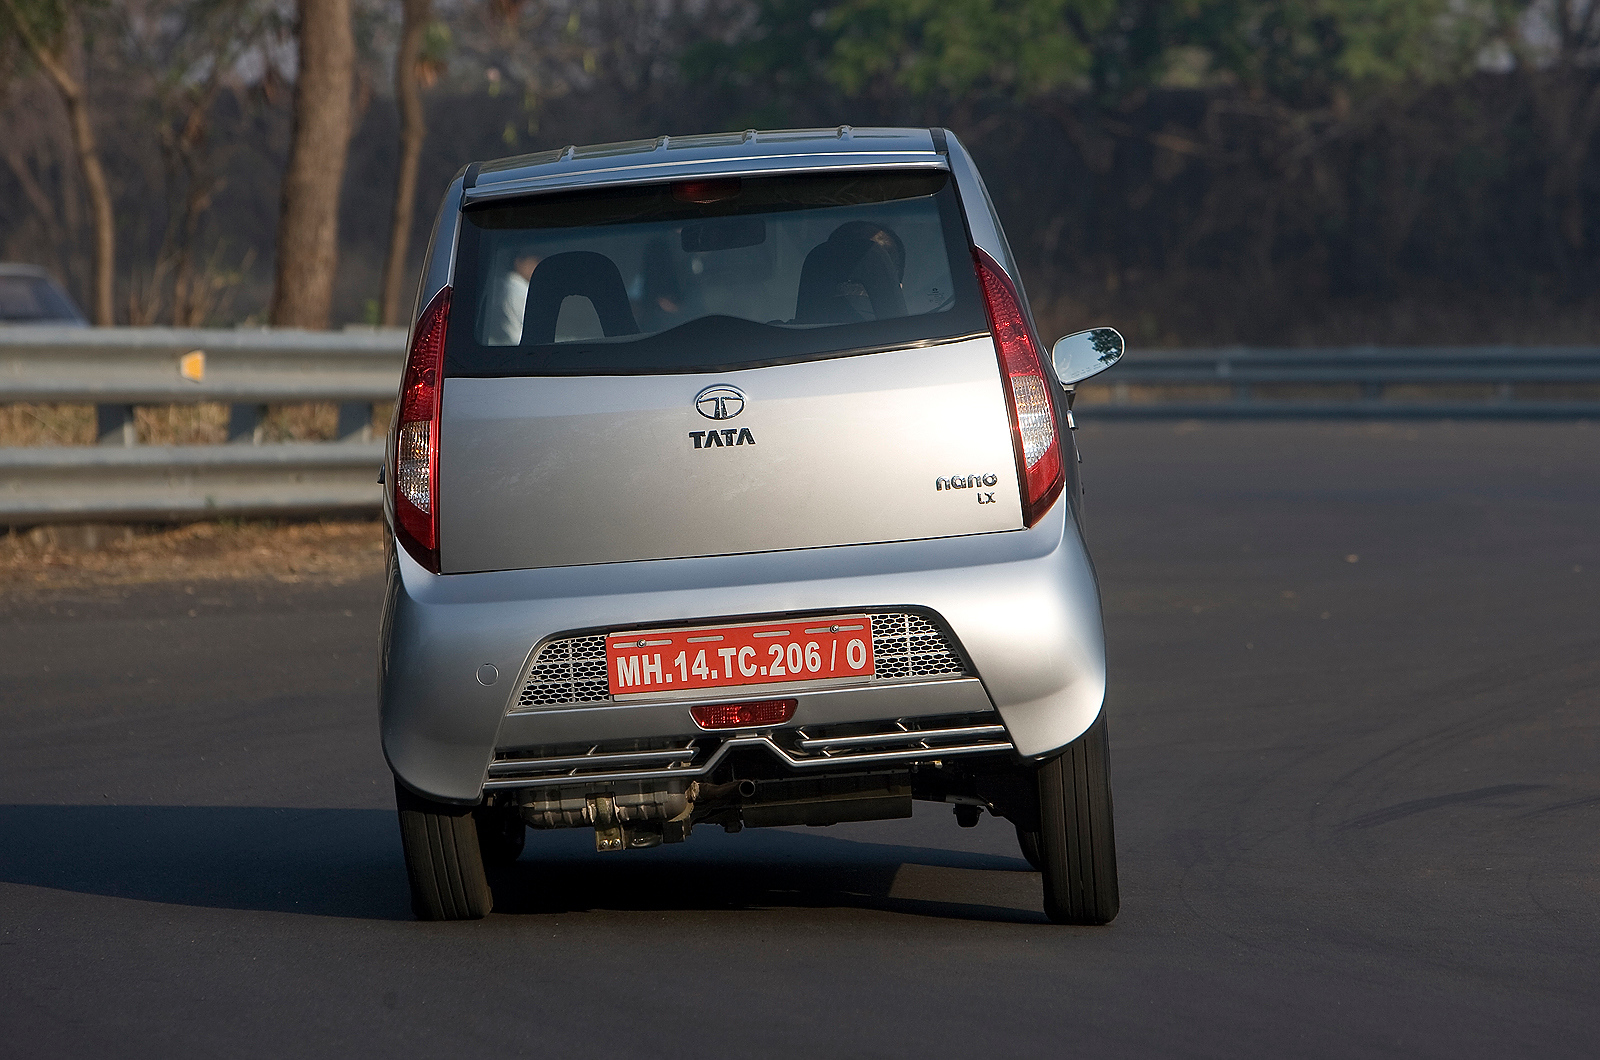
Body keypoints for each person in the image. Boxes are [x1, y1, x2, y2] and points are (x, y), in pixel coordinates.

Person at [490, 250, 541, 344]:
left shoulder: (500, 284)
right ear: (519, 262)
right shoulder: (515, 288)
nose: (536, 267)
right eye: (534, 262)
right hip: (516, 345)